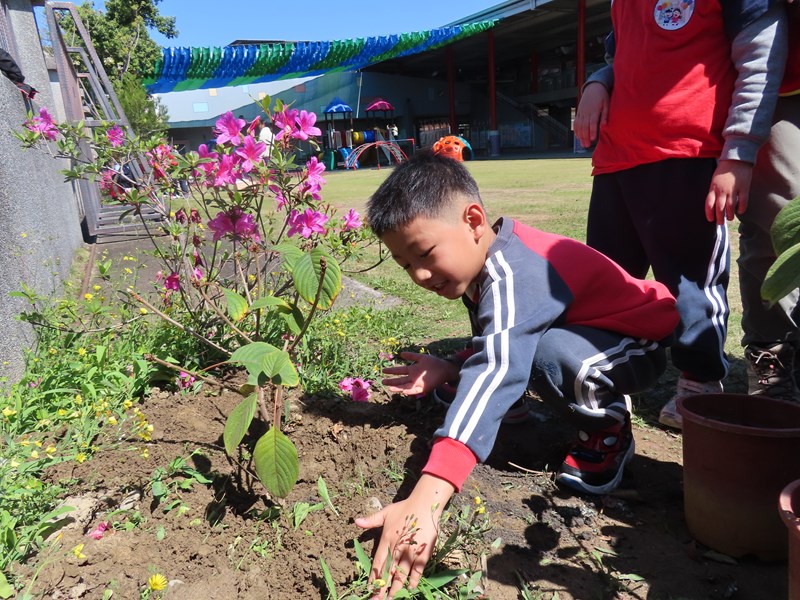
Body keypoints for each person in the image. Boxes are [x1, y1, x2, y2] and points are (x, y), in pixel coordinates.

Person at [355, 152, 679, 599]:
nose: (420, 275)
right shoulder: (484, 262)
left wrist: (426, 497)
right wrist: (451, 367)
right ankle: (518, 406)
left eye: (425, 254)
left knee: (550, 355)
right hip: (584, 329)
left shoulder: (512, 272)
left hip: (634, 340)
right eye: (406, 265)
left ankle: (607, 427)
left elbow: (500, 364)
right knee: (516, 352)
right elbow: (500, 338)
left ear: (473, 221)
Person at [573, 0, 788, 428]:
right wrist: (596, 81)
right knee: (611, 280)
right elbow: (622, 60)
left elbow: (760, 57)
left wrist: (739, 153)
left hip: (687, 152)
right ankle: (611, 372)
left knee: (691, 278)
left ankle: (700, 378)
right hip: (616, 160)